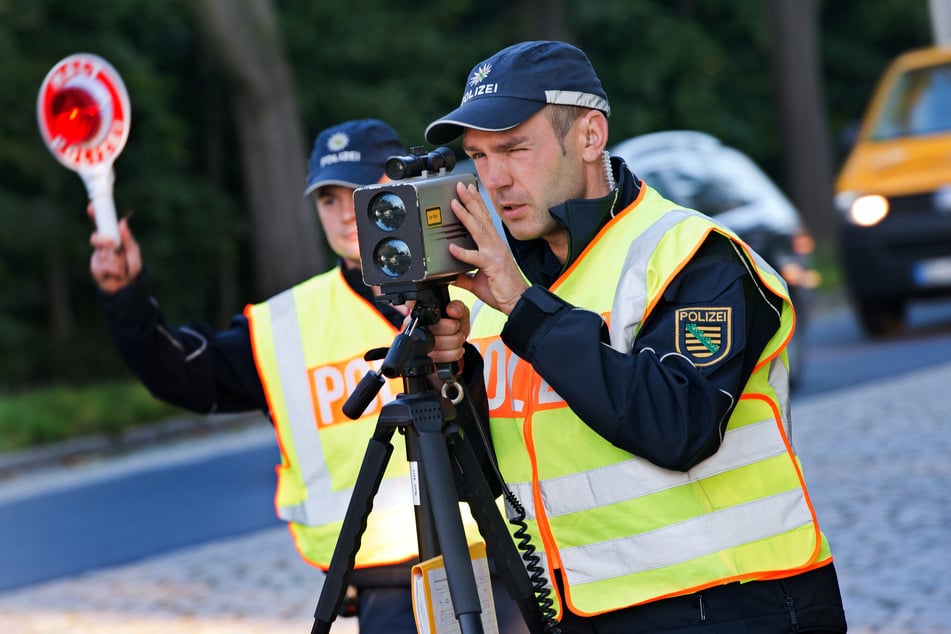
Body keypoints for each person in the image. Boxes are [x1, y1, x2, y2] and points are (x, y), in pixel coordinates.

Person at [423, 41, 848, 632]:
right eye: (478, 156)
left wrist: (525, 310)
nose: (493, 179)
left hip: (735, 604)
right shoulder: (504, 284)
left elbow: (677, 426)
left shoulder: (694, 255)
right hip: (585, 609)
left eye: (516, 149)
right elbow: (501, 472)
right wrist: (459, 375)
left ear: (590, 137)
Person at [88, 118, 527, 634]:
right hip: (383, 591)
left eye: (362, 190)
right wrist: (126, 298)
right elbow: (181, 375)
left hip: (508, 564)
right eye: (328, 200)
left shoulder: (497, 283)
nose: (346, 214)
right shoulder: (286, 323)